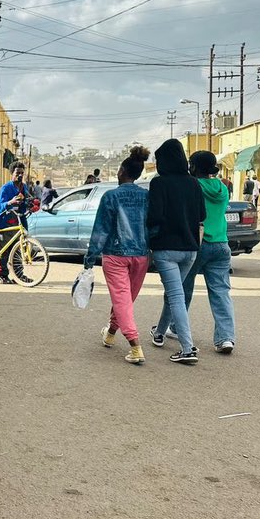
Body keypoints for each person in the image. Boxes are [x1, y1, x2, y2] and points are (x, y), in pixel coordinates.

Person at [84, 146, 151, 365]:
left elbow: (101, 229)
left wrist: (90, 257)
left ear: (122, 170)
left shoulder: (110, 196)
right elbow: (154, 226)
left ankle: (135, 347)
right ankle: (111, 333)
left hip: (115, 254)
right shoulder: (147, 196)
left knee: (122, 299)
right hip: (141, 255)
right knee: (125, 299)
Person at [147, 138, 206, 364]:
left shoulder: (159, 183)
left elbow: (154, 216)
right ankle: (160, 333)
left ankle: (187, 347)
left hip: (166, 249)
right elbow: (202, 215)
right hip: (190, 249)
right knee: (174, 294)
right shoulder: (193, 183)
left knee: (175, 296)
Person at [180, 151, 236, 354]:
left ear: (194, 167)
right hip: (222, 245)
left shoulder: (193, 186)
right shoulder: (222, 187)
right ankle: (225, 338)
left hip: (199, 243)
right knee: (221, 292)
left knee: (184, 289)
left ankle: (175, 328)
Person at [0, 162, 33, 284]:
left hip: (16, 224)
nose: (20, 175)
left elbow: (24, 204)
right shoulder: (6, 188)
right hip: (2, 225)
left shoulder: (23, 188)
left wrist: (30, 204)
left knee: (17, 250)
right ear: (12, 174)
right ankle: (2, 275)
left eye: (22, 173)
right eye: (17, 173)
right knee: (3, 251)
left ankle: (19, 275)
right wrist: (10, 202)